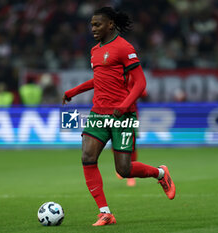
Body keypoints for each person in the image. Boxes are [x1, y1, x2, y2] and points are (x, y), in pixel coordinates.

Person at [62, 7, 175, 226]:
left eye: (97, 24)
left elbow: (141, 83)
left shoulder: (124, 47)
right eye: (92, 25)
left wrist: (124, 106)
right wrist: (73, 92)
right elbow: (100, 79)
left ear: (110, 24)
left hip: (122, 115)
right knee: (87, 156)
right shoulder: (95, 50)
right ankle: (105, 213)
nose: (93, 28)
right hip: (98, 113)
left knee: (124, 169)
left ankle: (160, 173)